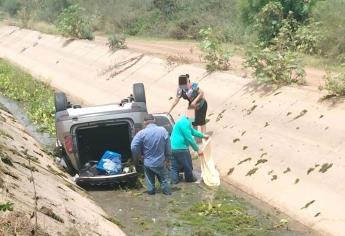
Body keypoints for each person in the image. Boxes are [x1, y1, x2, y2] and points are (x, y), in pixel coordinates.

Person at [131, 114, 171, 195]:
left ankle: (151, 195)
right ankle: (167, 195)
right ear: (154, 120)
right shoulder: (163, 130)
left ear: (145, 122)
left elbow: (133, 146)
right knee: (164, 181)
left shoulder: (141, 133)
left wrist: (139, 156)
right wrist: (167, 158)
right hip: (161, 162)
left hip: (148, 163)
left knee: (150, 185)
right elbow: (168, 147)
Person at [170, 107, 209, 184]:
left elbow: (192, 131)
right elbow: (189, 138)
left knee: (174, 166)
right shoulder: (185, 123)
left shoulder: (183, 121)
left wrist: (203, 136)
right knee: (188, 165)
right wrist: (198, 149)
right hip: (181, 148)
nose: (196, 118)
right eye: (195, 116)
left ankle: (174, 181)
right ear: (191, 115)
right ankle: (189, 179)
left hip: (173, 148)